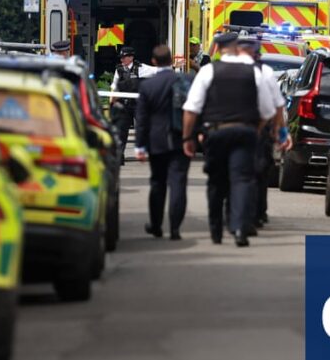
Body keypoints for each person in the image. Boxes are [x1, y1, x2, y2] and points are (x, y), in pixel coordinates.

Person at [181, 32, 278, 247]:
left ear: (217, 48)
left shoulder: (208, 71)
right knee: (242, 180)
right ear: (236, 48)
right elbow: (267, 110)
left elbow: (191, 108)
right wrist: (255, 130)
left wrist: (187, 137)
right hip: (245, 133)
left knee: (217, 181)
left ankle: (216, 230)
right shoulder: (254, 72)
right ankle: (240, 228)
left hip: (216, 133)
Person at [134, 45, 191, 241]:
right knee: (178, 183)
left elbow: (142, 119)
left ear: (154, 61)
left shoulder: (148, 86)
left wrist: (140, 146)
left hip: (156, 141)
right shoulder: (184, 80)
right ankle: (175, 228)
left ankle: (156, 225)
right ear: (171, 60)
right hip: (180, 139)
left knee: (158, 183)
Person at [236, 35, 292, 230]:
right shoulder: (265, 73)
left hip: (230, 129)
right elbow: (276, 106)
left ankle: (236, 213)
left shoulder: (223, 70)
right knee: (258, 172)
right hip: (258, 129)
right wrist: (281, 133)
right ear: (257, 54)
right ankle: (257, 212)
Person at [110, 46, 157, 162]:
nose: (122, 59)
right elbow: (114, 85)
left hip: (138, 104)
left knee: (143, 128)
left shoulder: (140, 68)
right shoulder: (119, 70)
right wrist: (112, 99)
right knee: (121, 130)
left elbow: (157, 71)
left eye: (124, 57)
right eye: (121, 58)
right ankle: (119, 155)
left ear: (131, 57)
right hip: (124, 104)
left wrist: (174, 66)